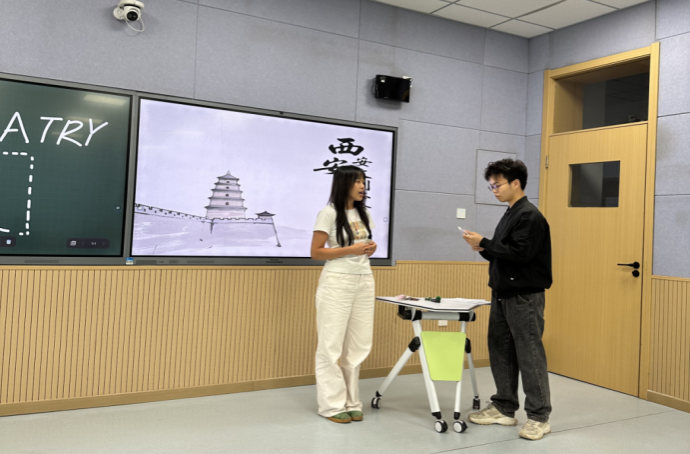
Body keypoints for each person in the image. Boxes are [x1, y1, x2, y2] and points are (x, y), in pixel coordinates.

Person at [462, 158, 553, 441]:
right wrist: (483, 247)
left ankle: (539, 416)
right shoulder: (511, 213)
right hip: (502, 292)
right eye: (491, 186)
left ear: (516, 183)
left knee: (529, 354)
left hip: (524, 296)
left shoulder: (530, 216)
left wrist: (486, 243)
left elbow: (521, 255)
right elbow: (503, 253)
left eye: (497, 185)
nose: (494, 190)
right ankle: (504, 406)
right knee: (500, 349)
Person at [311, 165, 377, 424]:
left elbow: (364, 245)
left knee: (359, 344)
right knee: (331, 345)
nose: (362, 186)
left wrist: (370, 248)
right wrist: (350, 250)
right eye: (357, 181)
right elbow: (316, 252)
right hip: (337, 282)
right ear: (343, 184)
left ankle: (352, 402)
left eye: (363, 181)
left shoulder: (364, 213)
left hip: (364, 280)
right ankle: (331, 405)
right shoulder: (328, 213)